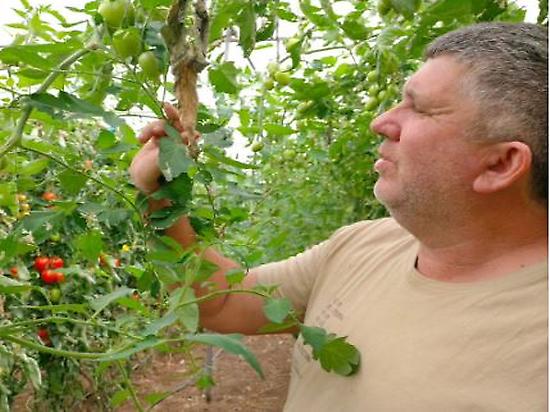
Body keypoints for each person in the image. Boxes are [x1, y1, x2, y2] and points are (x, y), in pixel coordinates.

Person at [130, 22, 547, 411]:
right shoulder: (362, 245)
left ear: (499, 164)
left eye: (419, 110)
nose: (380, 122)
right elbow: (220, 303)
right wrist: (160, 197)